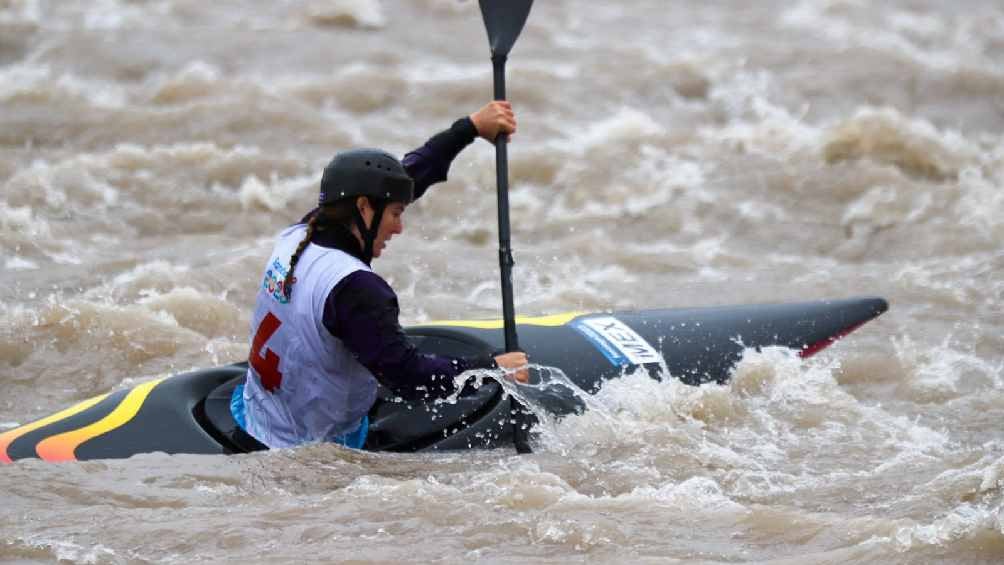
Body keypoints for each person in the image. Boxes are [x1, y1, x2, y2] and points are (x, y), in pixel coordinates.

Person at [231, 101, 529, 450]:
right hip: (304, 449)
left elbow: (408, 175)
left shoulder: (302, 232)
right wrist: (491, 368)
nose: (399, 228)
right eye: (395, 214)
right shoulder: (356, 288)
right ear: (363, 207)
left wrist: (470, 128)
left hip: (255, 418)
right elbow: (408, 377)